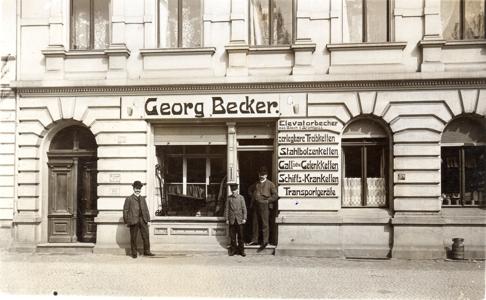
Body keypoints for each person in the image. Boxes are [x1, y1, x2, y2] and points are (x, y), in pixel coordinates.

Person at [248, 166, 278, 250]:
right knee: (255, 223)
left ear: (266, 175)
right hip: (256, 205)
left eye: (263, 174)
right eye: (260, 174)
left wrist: (268, 201)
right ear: (258, 175)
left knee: (265, 223)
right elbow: (249, 190)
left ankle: (265, 241)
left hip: (265, 206)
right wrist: (253, 196)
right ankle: (255, 240)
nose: (262, 176)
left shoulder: (270, 184)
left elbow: (275, 195)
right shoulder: (256, 184)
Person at [123, 180, 155, 258]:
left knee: (146, 236)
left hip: (143, 220)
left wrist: (148, 220)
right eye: (136, 188)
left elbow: (146, 210)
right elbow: (125, 210)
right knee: (133, 237)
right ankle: (134, 253)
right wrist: (126, 221)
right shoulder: (129, 199)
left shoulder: (143, 198)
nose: (138, 190)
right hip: (133, 220)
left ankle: (147, 251)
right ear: (133, 189)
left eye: (139, 189)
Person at [224, 183, 247, 256]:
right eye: (232, 190)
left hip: (239, 220)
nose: (234, 192)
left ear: (237, 190)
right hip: (232, 220)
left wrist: (244, 218)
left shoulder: (241, 198)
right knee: (232, 236)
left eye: (235, 190)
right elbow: (227, 209)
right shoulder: (229, 198)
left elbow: (244, 209)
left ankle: (241, 250)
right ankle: (233, 250)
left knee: (241, 236)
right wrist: (227, 219)